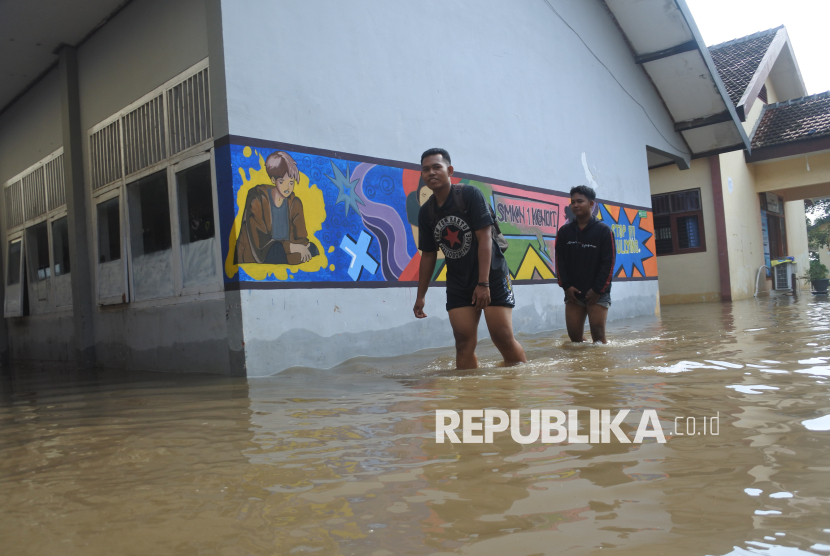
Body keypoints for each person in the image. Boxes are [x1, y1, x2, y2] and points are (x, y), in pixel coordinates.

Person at [412, 148, 527, 369]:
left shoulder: (469, 195)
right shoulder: (426, 212)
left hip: (491, 276)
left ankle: (516, 388)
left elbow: (485, 239)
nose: (431, 173)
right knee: (463, 343)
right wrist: (421, 296)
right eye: (425, 169)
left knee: (502, 337)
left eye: (437, 167)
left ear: (450, 170)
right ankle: (469, 397)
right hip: (458, 282)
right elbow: (427, 255)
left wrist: (483, 284)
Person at [555, 185, 615, 344]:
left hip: (597, 293)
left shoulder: (604, 231)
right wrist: (566, 287)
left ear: (591, 204)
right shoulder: (564, 232)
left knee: (598, 337)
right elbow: (560, 261)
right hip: (573, 293)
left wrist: (597, 290)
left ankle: (599, 367)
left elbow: (608, 264)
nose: (575, 205)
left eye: (580, 201)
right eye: (572, 202)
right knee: (574, 338)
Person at [235, 151, 319, 265]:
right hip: (261, 253)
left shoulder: (295, 203)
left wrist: (304, 246)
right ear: (273, 180)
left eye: (291, 182)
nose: (287, 187)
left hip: (284, 251)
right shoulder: (257, 198)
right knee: (279, 253)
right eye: (282, 181)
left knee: (313, 249)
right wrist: (294, 248)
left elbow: (301, 238)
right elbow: (260, 242)